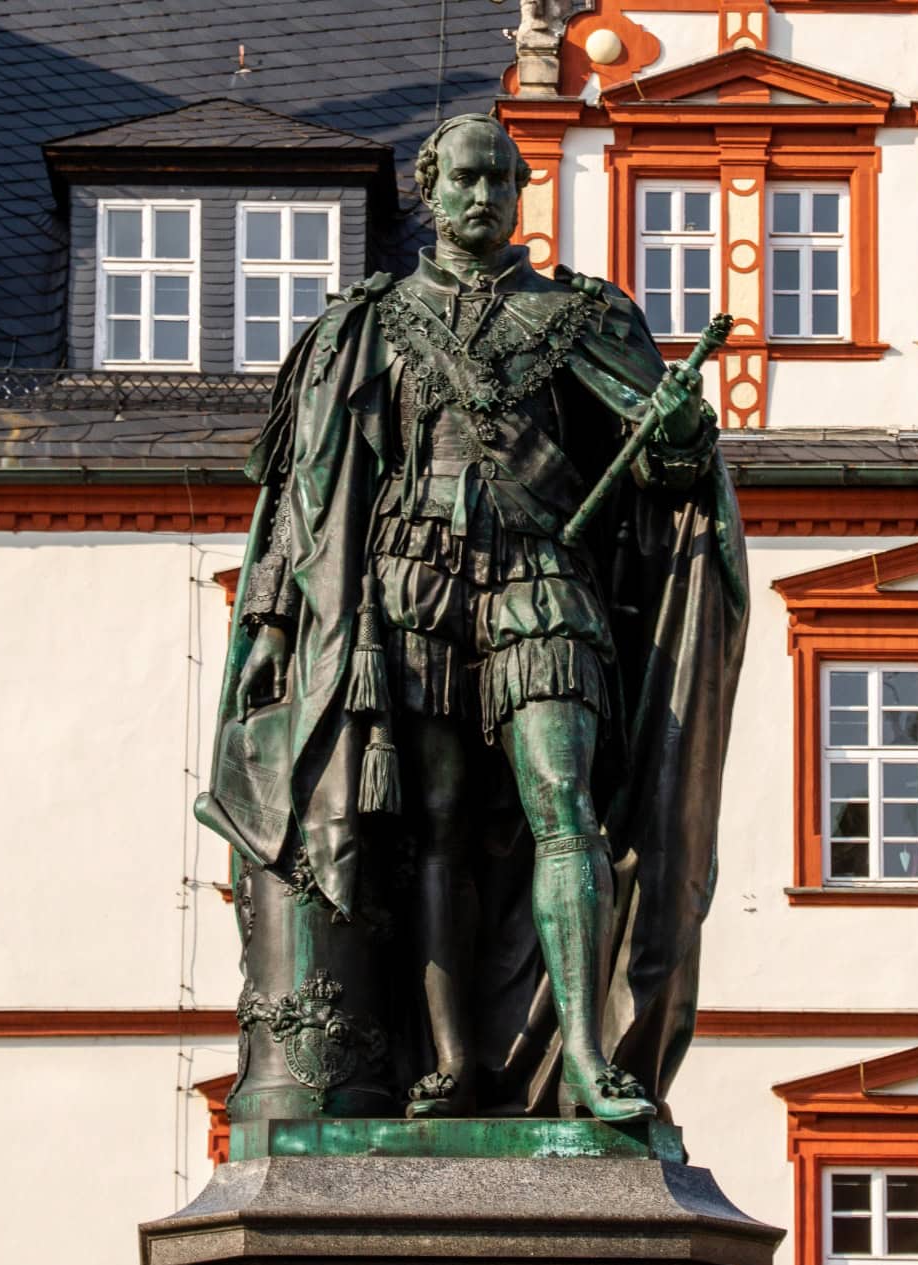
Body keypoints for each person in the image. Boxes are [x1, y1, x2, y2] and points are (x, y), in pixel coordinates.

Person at [201, 113, 747, 1126]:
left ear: (521, 189)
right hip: (410, 588)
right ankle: (452, 1058)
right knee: (438, 826)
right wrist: (273, 627)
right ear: (427, 187)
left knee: (561, 804)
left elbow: (666, 485)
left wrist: (677, 438)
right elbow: (306, 500)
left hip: (543, 578)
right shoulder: (365, 323)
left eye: (500, 179)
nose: (482, 197)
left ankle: (584, 1054)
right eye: (463, 179)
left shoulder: (584, 316)